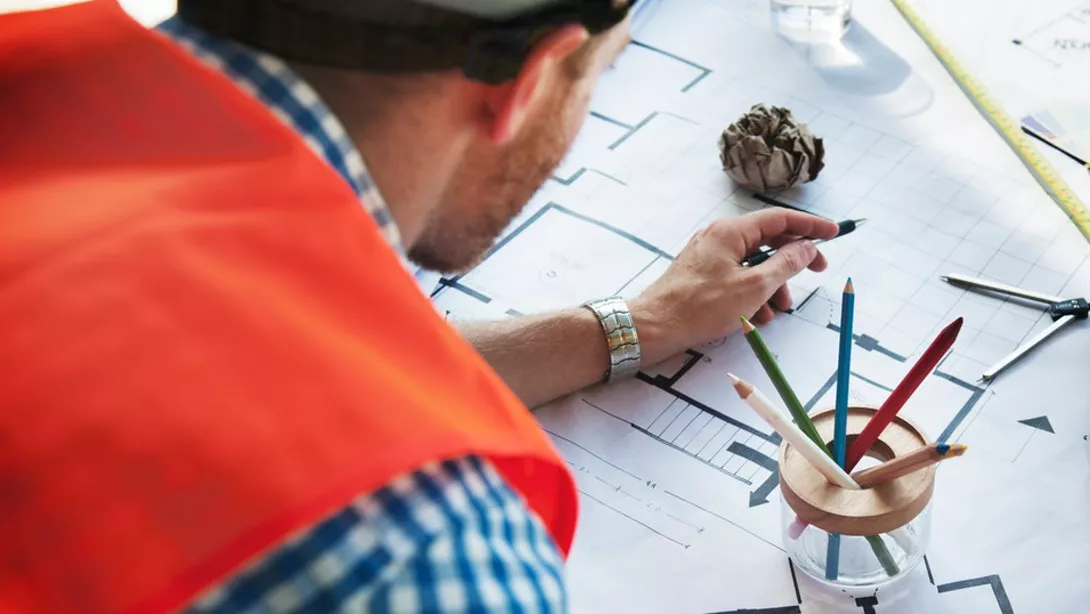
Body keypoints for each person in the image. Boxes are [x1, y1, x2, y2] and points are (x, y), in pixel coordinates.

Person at [0, 0, 838, 612]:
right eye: (601, 74)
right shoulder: (417, 553)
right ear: (527, 79)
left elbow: (260, 375)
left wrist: (636, 326)